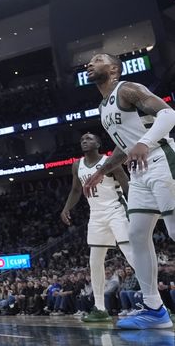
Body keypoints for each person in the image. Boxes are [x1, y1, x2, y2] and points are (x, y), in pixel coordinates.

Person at [82, 53, 175, 329]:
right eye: (89, 61)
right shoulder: (103, 106)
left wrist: (145, 142)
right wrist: (100, 172)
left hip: (161, 158)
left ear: (113, 68)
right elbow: (125, 147)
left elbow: (169, 114)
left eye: (97, 60)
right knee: (136, 235)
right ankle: (154, 309)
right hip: (138, 171)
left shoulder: (128, 88)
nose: (89, 64)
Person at [60, 132, 134, 322]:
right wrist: (67, 208)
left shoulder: (110, 161)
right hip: (96, 215)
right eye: (82, 139)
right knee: (94, 262)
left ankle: (157, 303)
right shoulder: (77, 165)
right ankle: (100, 308)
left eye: (89, 138)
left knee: (132, 255)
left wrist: (136, 206)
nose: (84, 141)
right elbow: (76, 190)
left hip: (117, 210)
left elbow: (126, 185)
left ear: (98, 143)